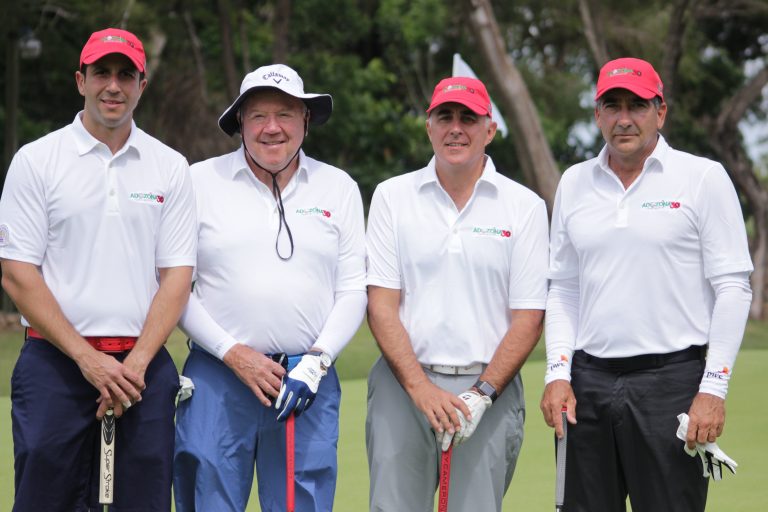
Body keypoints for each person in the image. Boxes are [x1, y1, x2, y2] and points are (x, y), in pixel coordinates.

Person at [540, 57, 753, 511]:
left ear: (660, 112)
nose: (624, 119)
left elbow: (733, 288)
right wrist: (557, 374)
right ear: (597, 115)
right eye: (612, 106)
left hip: (671, 383)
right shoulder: (574, 182)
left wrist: (713, 389)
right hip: (587, 384)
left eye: (636, 106)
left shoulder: (702, 178)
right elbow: (563, 289)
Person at [0, 28, 196, 511]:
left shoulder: (170, 166)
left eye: (125, 75)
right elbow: (18, 273)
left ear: (141, 86)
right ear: (80, 81)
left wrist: (136, 365)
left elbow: (177, 276)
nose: (113, 85)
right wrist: (88, 360)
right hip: (55, 364)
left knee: (144, 502)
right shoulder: (37, 161)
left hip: (141, 368)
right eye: (101, 73)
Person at [172, 63, 367, 512]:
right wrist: (233, 353)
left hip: (307, 378)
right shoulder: (198, 181)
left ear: (306, 120)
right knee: (209, 500)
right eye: (258, 115)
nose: (272, 127)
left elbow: (353, 289)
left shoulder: (338, 187)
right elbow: (176, 287)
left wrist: (318, 360)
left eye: (285, 114)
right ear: (240, 122)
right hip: (217, 374)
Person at [365, 76, 549, 511]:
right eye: (444, 117)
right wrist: (420, 389)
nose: (455, 128)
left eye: (469, 118)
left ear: (490, 129)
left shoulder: (524, 206)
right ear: (428, 127)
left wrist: (481, 394)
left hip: (488, 389)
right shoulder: (392, 197)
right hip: (402, 385)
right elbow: (381, 305)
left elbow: (528, 318)